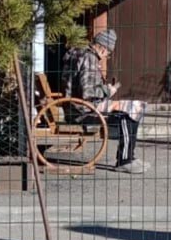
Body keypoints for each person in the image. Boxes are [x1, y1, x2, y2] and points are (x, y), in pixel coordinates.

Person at [61, 29, 148, 174]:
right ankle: (124, 161)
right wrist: (108, 90)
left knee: (135, 107)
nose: (107, 56)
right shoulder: (89, 58)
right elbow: (87, 92)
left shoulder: (79, 55)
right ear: (102, 47)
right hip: (83, 111)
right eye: (108, 53)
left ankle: (129, 157)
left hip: (77, 107)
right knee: (126, 115)